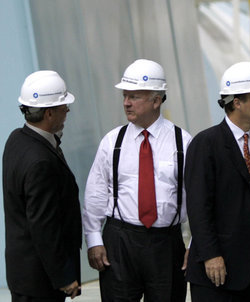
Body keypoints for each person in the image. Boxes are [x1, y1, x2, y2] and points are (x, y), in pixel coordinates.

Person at [82, 59, 192, 301]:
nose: (126, 102)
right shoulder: (112, 141)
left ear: (156, 100)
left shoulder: (182, 142)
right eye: (125, 95)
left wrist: (195, 245)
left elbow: (198, 198)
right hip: (120, 242)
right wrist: (93, 239)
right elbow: (95, 193)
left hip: (166, 243)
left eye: (134, 96)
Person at [185, 61, 250, 302]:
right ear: (237, 102)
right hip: (218, 272)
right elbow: (198, 207)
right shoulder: (206, 144)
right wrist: (211, 255)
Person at [3, 70, 82, 301]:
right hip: (41, 282)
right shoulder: (40, 161)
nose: (67, 111)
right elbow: (44, 227)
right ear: (49, 113)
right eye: (63, 107)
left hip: (23, 274)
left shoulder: (16, 139)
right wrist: (64, 277)